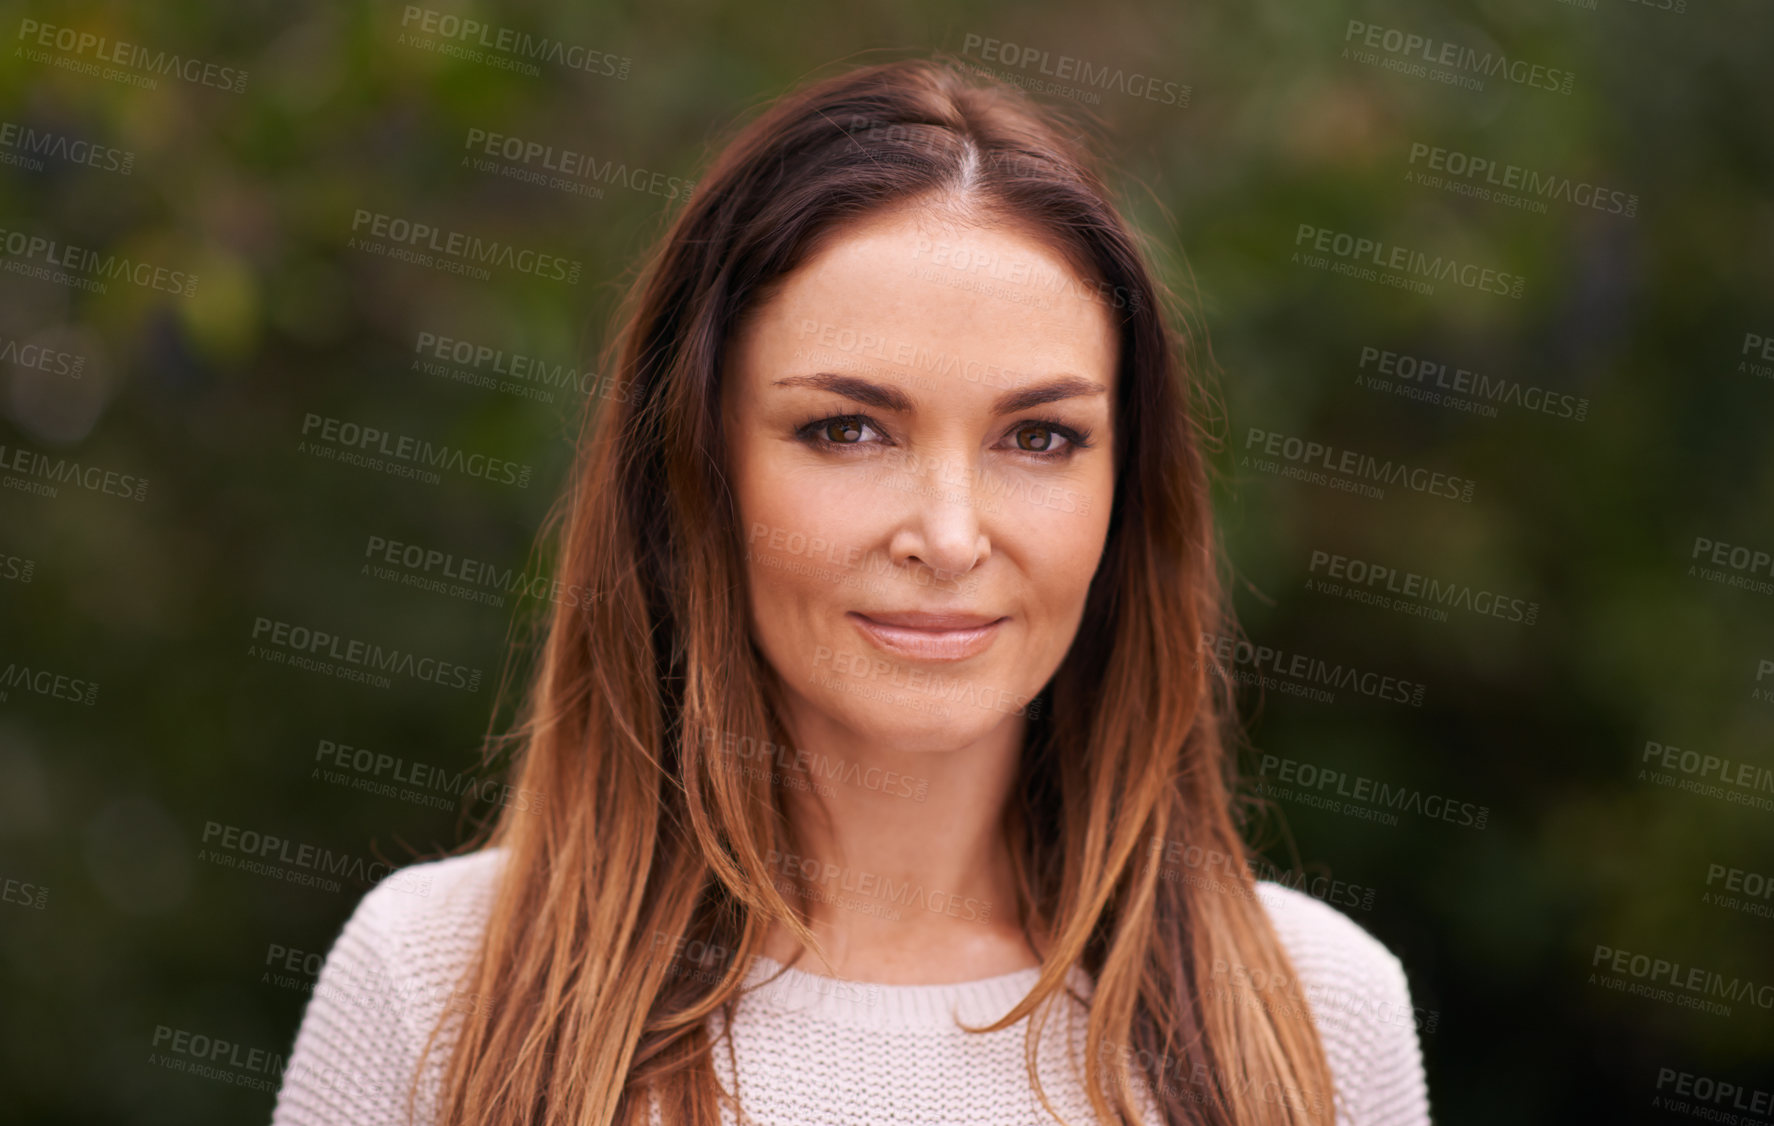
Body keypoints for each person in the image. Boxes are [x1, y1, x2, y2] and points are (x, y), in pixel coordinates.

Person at [269, 55, 1431, 1126]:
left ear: (1126, 495)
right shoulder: (441, 983)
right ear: (695, 472)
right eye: (847, 427)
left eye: (1038, 437)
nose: (947, 533)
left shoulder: (1314, 1015)